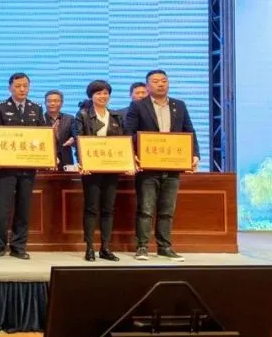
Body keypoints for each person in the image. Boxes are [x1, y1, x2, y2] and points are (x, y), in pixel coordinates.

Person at [125, 69, 198, 262]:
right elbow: (129, 133)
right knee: (146, 209)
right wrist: (136, 153)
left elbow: (189, 131)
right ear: (147, 86)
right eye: (156, 81)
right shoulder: (138, 106)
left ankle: (164, 247)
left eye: (164, 81)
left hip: (172, 166)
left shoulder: (179, 105)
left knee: (167, 210)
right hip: (147, 168)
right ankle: (142, 247)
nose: (160, 84)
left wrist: (195, 154)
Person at [0, 72, 45, 260]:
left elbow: (42, 136)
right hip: (5, 168)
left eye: (25, 86)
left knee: (23, 208)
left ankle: (19, 247)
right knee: (2, 208)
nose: (22, 89)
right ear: (10, 88)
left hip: (28, 167)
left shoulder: (36, 108)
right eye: (18, 86)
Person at [72, 80, 126, 262]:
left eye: (105, 93)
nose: (103, 96)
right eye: (98, 93)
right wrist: (83, 163)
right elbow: (78, 140)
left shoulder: (116, 116)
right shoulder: (83, 115)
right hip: (91, 169)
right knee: (91, 208)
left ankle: (105, 247)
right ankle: (89, 247)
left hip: (111, 168)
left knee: (108, 208)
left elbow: (123, 142)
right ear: (91, 96)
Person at [43, 90, 75, 169]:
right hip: (46, 159)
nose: (52, 103)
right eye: (49, 101)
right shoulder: (40, 119)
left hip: (66, 160)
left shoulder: (70, 119)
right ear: (45, 103)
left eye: (56, 101)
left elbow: (75, 136)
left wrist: (73, 140)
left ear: (62, 103)